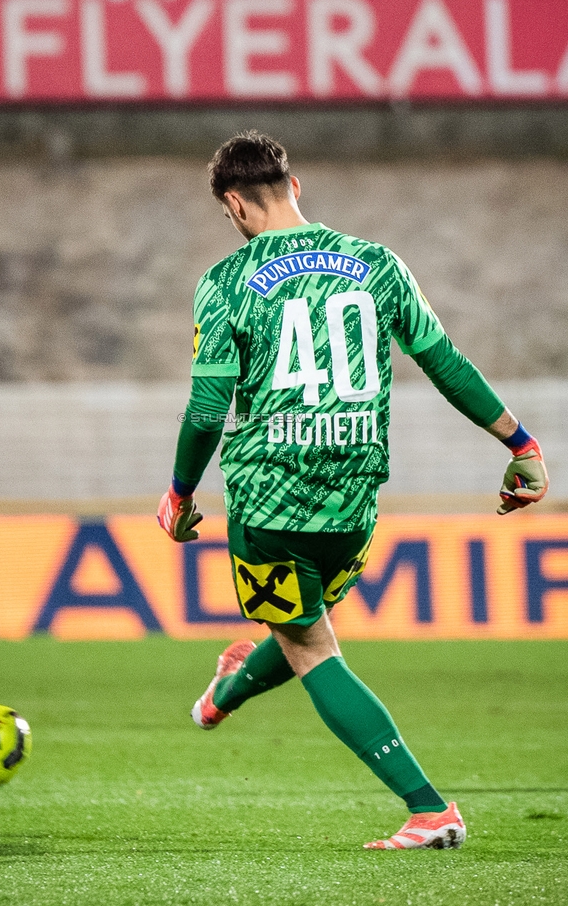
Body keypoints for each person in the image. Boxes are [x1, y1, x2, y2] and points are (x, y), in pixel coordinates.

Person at [157, 131, 549, 850]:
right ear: (296, 187)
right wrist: (520, 443)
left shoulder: (225, 281)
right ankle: (226, 691)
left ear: (235, 204)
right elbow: (446, 362)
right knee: (306, 621)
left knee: (308, 644)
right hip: (353, 501)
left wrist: (181, 493)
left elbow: (208, 409)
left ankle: (430, 809)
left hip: (270, 501)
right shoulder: (378, 265)